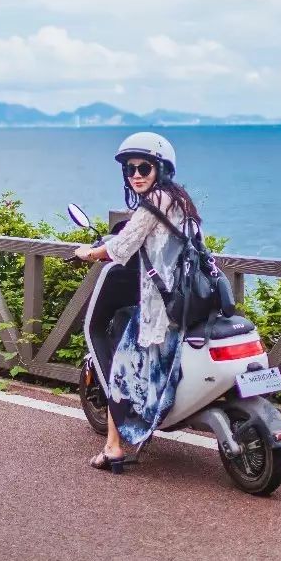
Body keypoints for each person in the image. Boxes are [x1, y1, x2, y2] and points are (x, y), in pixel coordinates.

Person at [73, 131, 202, 473]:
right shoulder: (180, 200)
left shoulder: (153, 203)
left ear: (162, 168)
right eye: (130, 170)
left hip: (160, 306)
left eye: (145, 167)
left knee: (120, 368)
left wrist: (89, 252)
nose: (136, 175)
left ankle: (114, 448)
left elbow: (122, 246)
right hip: (188, 300)